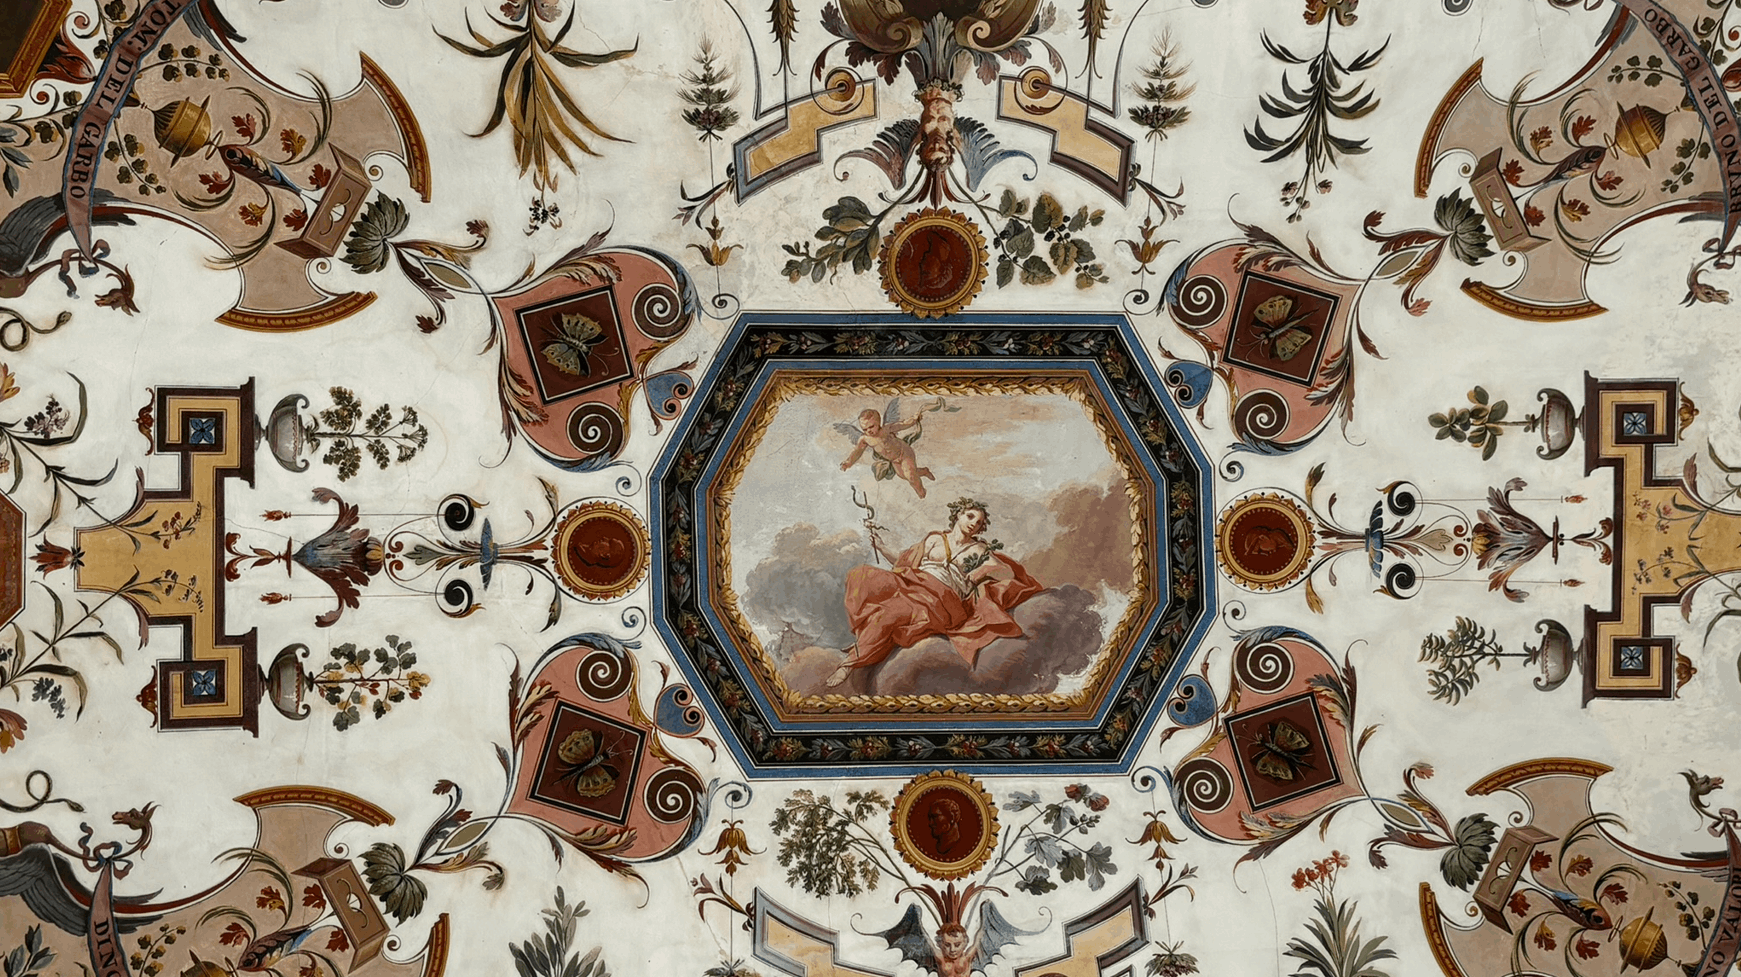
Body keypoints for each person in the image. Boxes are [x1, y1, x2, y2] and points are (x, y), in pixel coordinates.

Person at [825, 497, 1041, 688]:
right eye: (970, 516)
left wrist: (982, 571)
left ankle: (849, 664)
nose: (974, 523)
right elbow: (903, 563)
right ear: (958, 514)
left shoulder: (979, 550)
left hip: (941, 600)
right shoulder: (934, 539)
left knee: (889, 612)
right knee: (861, 576)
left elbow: (1006, 572)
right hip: (913, 583)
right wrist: (881, 547)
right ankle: (864, 636)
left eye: (979, 522)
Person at [839, 407, 935, 498]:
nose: (869, 431)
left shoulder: (886, 429)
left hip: (904, 453)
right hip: (894, 460)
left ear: (878, 423)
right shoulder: (865, 439)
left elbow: (903, 424)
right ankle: (924, 471)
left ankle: (921, 492)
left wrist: (914, 419)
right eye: (865, 429)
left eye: (871, 427)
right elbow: (857, 452)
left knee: (910, 475)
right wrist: (848, 463)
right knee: (904, 475)